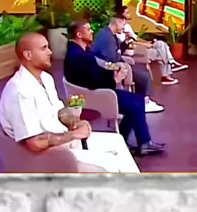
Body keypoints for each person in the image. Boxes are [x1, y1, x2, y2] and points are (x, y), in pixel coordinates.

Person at [0, 32, 110, 172]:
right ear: (28, 55)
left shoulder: (46, 78)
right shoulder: (20, 91)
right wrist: (73, 135)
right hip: (47, 158)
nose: (50, 52)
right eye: (43, 48)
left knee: (115, 145)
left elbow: (59, 112)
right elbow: (34, 143)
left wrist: (74, 122)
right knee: (108, 171)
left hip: (64, 143)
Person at [64, 20, 166, 156]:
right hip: (93, 95)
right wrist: (114, 80)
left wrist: (112, 72)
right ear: (79, 34)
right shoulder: (78, 56)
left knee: (138, 100)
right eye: (88, 29)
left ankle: (130, 141)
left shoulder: (82, 51)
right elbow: (92, 82)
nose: (92, 31)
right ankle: (142, 142)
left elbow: (94, 73)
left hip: (96, 90)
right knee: (136, 104)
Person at [92, 16, 163, 113]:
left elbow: (117, 51)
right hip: (110, 66)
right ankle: (145, 102)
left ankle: (144, 99)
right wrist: (122, 60)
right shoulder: (107, 37)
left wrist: (125, 43)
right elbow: (112, 58)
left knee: (142, 70)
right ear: (117, 23)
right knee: (143, 75)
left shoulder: (109, 34)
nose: (124, 28)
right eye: (123, 24)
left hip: (117, 61)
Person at [118, 5, 188, 86]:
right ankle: (166, 74)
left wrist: (147, 42)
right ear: (122, 15)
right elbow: (130, 43)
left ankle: (171, 62)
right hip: (135, 49)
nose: (129, 14)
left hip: (141, 45)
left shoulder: (127, 26)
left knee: (161, 44)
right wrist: (145, 45)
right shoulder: (120, 29)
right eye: (127, 13)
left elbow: (135, 38)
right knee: (161, 53)